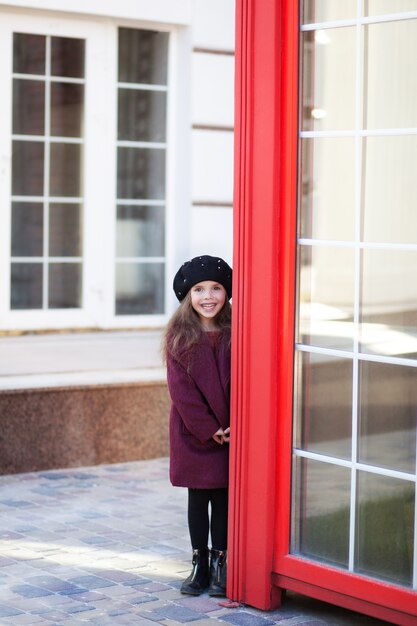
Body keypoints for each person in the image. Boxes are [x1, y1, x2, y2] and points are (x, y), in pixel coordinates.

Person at [163, 255, 232, 597]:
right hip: (194, 432)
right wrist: (209, 429)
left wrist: (234, 424)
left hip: (232, 431)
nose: (209, 296)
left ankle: (221, 561)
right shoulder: (180, 337)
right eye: (200, 289)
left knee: (223, 497)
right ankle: (199, 562)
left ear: (227, 293)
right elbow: (182, 393)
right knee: (198, 497)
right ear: (188, 296)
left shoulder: (237, 333)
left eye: (217, 288)